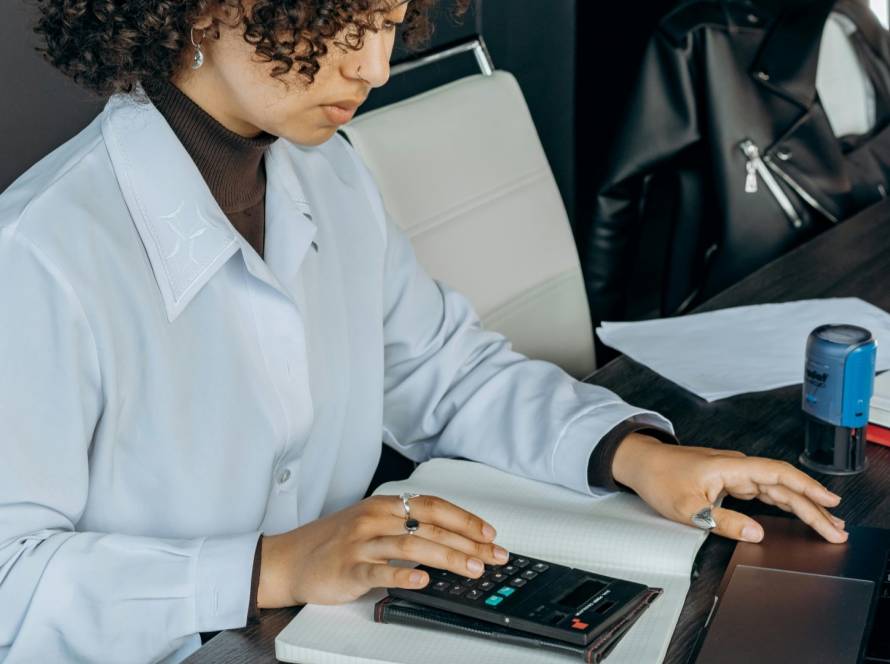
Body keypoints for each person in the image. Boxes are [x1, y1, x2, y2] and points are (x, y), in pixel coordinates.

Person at [0, 0, 847, 661]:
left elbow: (444, 371)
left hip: (336, 633)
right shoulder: (40, 255)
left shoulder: (325, 171)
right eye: (339, 26)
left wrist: (635, 456)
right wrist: (273, 566)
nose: (373, 68)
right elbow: (12, 585)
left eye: (390, 26)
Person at [583, 0, 890, 324]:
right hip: (748, 306)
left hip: (864, 291)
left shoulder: (857, 20)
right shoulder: (704, 38)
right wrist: (601, 342)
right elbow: (619, 195)